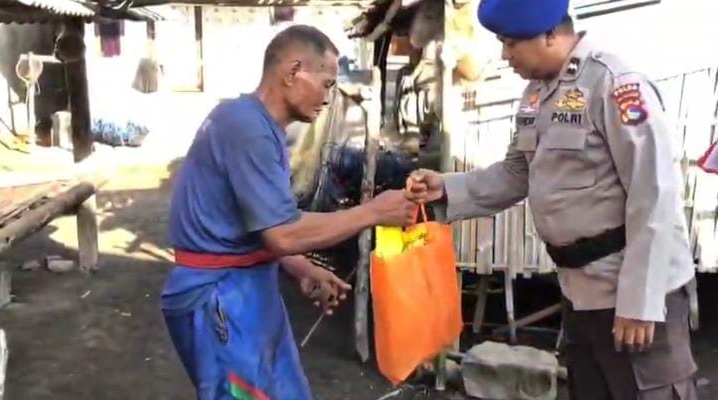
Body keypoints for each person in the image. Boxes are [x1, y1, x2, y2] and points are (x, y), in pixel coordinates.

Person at [407, 0, 699, 398]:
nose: (504, 55)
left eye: (511, 43)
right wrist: (446, 187)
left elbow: (655, 194)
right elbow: (517, 173)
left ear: (549, 34)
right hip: (580, 290)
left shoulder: (614, 84)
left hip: (633, 291)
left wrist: (640, 302)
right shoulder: (536, 95)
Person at [162, 25, 416, 400]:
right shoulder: (246, 127)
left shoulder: (258, 126)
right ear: (293, 71)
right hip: (219, 298)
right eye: (326, 84)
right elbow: (282, 232)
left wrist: (302, 268)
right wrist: (374, 211)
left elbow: (254, 223)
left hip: (248, 290)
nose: (328, 98)